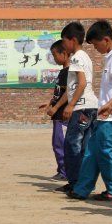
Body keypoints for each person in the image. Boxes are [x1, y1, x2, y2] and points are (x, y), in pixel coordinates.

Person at [68, 21, 112, 201]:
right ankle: (82, 189)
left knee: (104, 152)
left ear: (106, 39)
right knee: (92, 152)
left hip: (111, 117)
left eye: (96, 44)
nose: (95, 48)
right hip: (104, 116)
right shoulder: (111, 56)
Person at [56, 22, 98, 193]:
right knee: (84, 148)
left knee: (72, 145)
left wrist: (71, 106)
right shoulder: (85, 57)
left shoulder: (76, 57)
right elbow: (75, 87)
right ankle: (82, 183)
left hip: (81, 108)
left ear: (72, 40)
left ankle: (75, 183)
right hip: (90, 107)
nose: (63, 45)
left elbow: (81, 83)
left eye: (64, 41)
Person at [39, 41, 69, 181]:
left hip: (63, 114)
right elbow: (59, 92)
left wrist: (56, 107)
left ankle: (65, 172)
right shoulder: (62, 72)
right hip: (58, 114)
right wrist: (50, 102)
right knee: (57, 143)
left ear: (64, 53)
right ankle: (61, 170)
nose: (54, 58)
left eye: (54, 55)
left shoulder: (70, 72)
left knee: (61, 143)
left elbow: (69, 92)